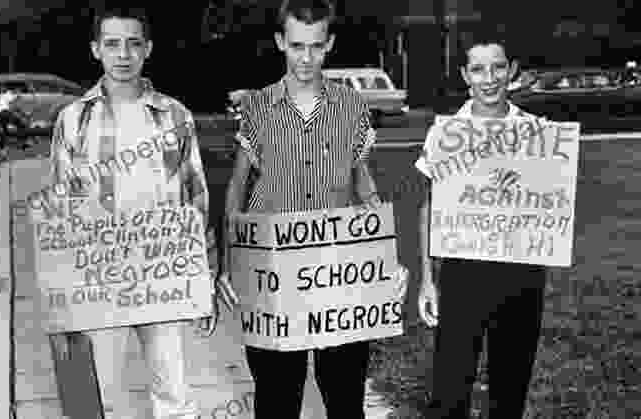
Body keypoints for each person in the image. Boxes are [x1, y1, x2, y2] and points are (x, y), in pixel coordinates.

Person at [223, 0, 398, 417]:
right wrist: (231, 262)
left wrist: (382, 250)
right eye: (297, 45)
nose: (306, 58)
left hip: (337, 268)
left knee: (343, 394)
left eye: (316, 46)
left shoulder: (352, 106)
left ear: (330, 44)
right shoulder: (256, 107)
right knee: (277, 396)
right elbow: (238, 187)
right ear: (281, 41)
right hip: (273, 271)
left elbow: (362, 181)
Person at [47, 7, 217, 419]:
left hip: (162, 275)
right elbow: (59, 209)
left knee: (174, 392)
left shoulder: (175, 117)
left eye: (132, 43)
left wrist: (204, 280)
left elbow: (195, 201)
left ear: (148, 49)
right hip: (100, 277)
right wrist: (62, 290)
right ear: (95, 50)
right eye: (111, 44)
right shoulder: (73, 122)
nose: (122, 54)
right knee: (97, 396)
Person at [416, 32, 549, 418]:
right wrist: (427, 277)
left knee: (510, 387)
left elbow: (547, 202)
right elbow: (428, 204)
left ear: (512, 71)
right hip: (463, 273)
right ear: (464, 75)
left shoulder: (536, 132)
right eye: (478, 69)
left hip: (521, 273)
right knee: (450, 390)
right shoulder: (446, 133)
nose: (488, 78)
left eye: (497, 67)